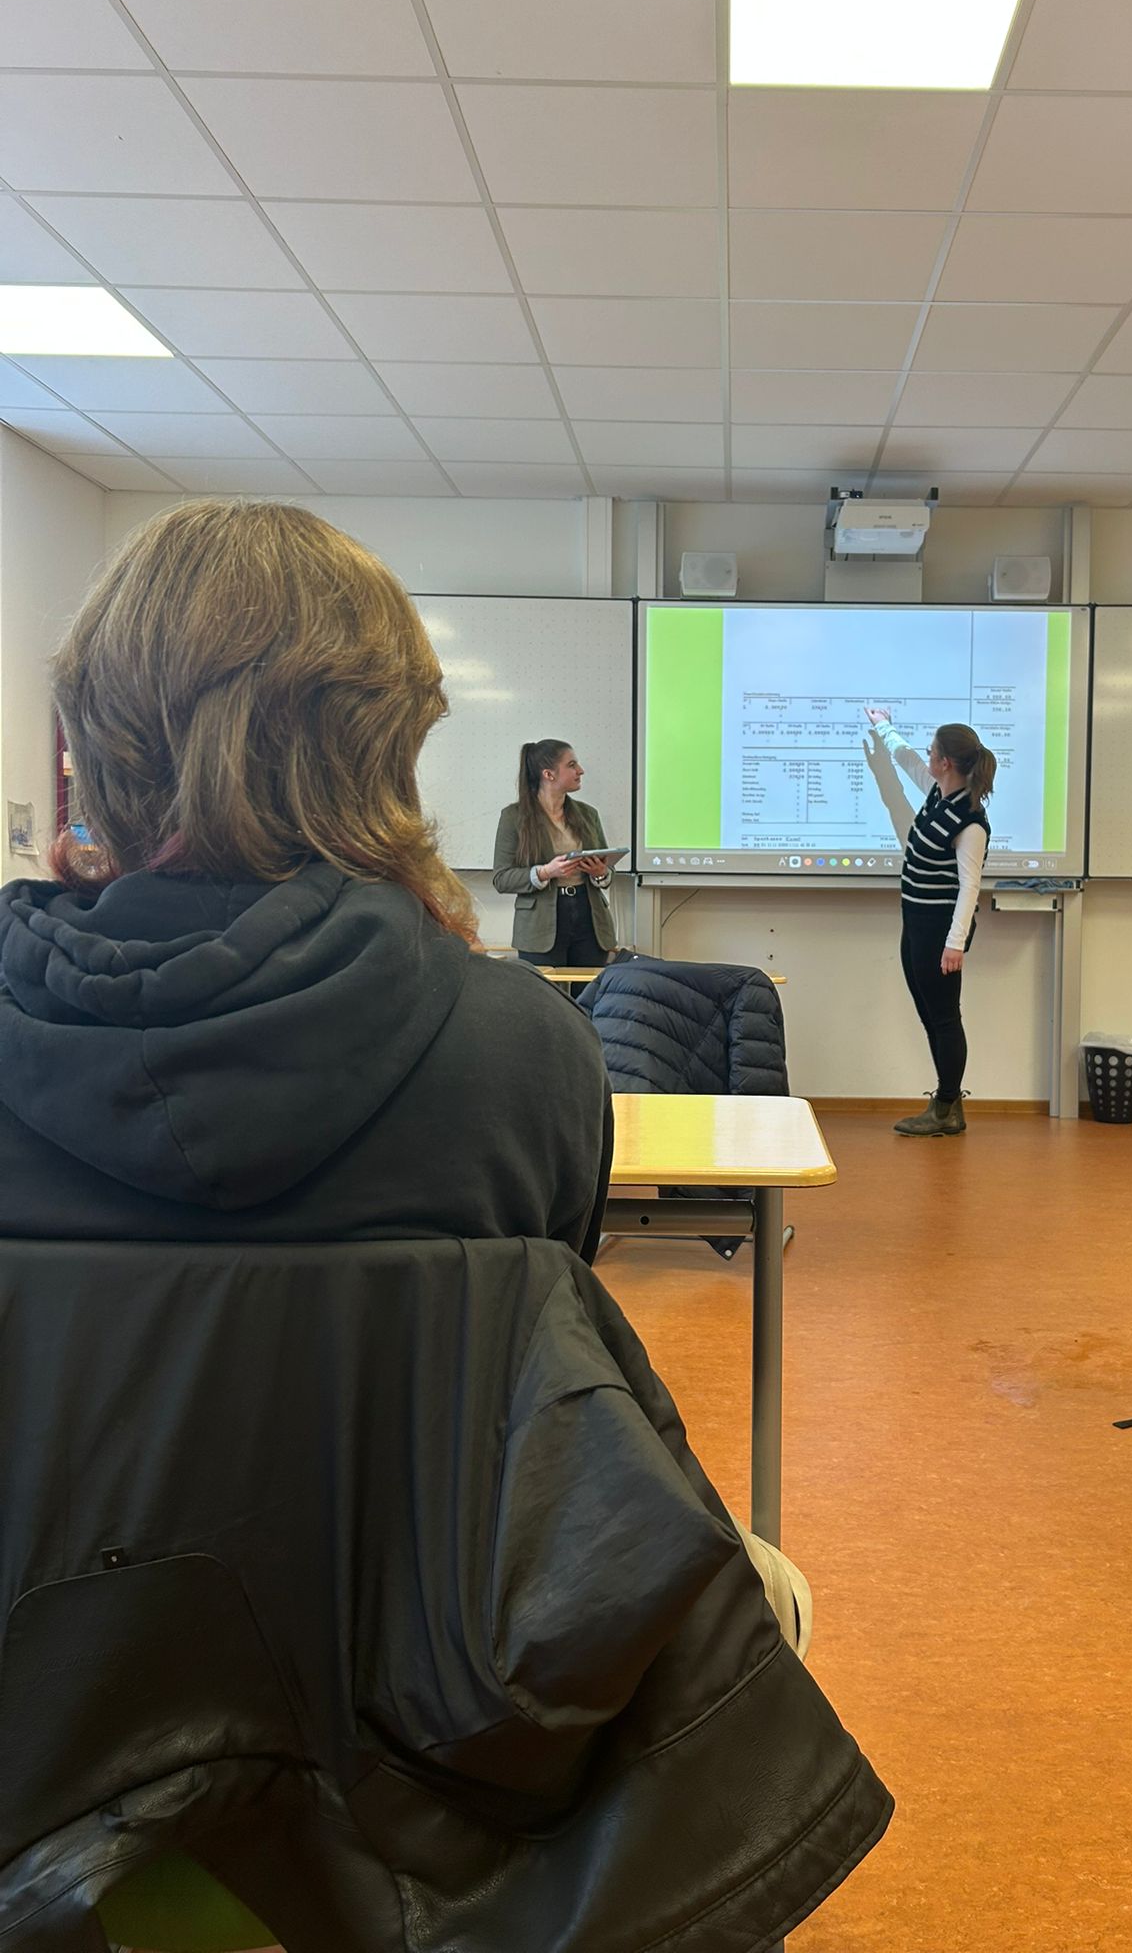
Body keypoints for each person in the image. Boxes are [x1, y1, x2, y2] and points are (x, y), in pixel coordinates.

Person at [0, 500, 890, 1946]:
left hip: (37, 1759)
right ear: (384, 743)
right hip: (429, 1763)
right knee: (764, 1591)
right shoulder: (518, 1053)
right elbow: (526, 1397)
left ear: (89, 736)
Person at [863, 708, 995, 1137]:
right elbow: (905, 759)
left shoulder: (970, 820)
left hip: (940, 931)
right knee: (929, 1014)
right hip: (916, 922)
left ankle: (947, 1106)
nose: (927, 755)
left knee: (943, 1017)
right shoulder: (939, 791)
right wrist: (882, 725)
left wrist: (954, 944)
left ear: (947, 762)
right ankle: (944, 1103)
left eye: (933, 750)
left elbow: (969, 887)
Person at [492, 738, 618, 966]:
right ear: (548, 775)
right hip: (539, 924)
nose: (581, 771)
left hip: (589, 917)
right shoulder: (514, 817)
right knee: (547, 998)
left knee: (588, 997)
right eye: (571, 765)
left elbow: (607, 871)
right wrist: (545, 872)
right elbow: (501, 878)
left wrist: (600, 872)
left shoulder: (588, 814)